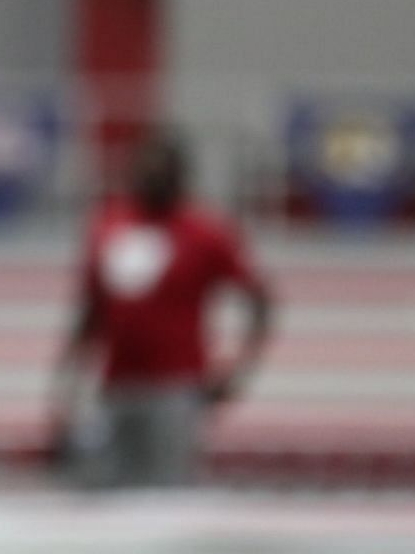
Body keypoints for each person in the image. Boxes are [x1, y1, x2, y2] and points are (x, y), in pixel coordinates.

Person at [54, 131, 273, 488]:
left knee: (166, 495)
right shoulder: (109, 225)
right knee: (100, 491)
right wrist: (67, 382)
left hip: (175, 388)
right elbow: (91, 310)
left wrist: (237, 372)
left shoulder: (205, 232)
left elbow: (259, 300)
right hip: (115, 384)